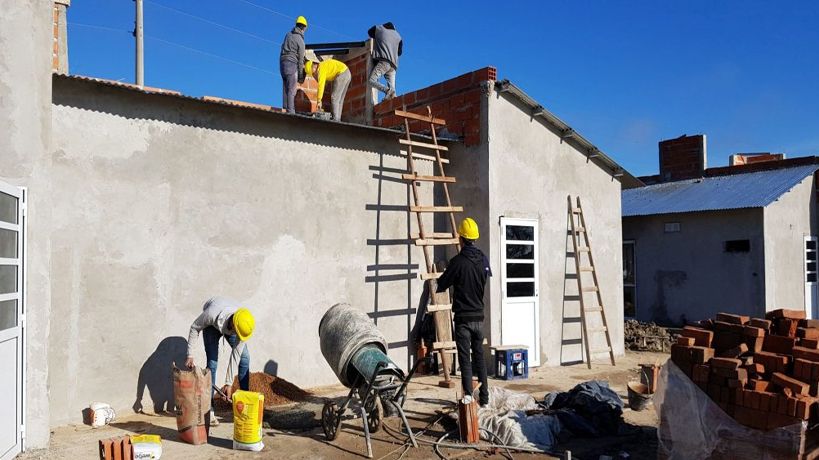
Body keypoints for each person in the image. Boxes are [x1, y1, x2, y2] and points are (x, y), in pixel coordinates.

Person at [436, 218, 492, 406]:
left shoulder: (458, 262)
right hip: (479, 317)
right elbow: (485, 276)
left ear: (461, 238)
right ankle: (484, 398)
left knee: (465, 359)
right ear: (474, 238)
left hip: (463, 319)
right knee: (479, 358)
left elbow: (441, 284)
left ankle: (468, 395)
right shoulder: (483, 259)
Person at [185, 296, 255, 424]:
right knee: (212, 363)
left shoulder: (243, 325)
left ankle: (244, 404)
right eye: (237, 332)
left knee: (245, 358)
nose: (239, 337)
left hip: (229, 322)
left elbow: (236, 355)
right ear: (233, 324)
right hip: (212, 324)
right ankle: (209, 410)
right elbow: (195, 327)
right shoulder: (211, 314)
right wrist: (190, 355)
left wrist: (229, 383)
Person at [279, 16, 307, 114]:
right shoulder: (301, 41)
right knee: (291, 89)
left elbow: (281, 49)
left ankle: (285, 109)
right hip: (292, 64)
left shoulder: (288, 35)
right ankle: (291, 113)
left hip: (282, 63)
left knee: (286, 88)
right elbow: (300, 61)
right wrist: (300, 75)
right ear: (304, 28)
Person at [367, 22, 402, 100]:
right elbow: (399, 53)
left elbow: (369, 32)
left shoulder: (379, 28)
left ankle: (387, 90)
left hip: (384, 61)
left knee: (371, 80)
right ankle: (393, 101)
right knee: (393, 91)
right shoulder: (399, 37)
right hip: (394, 65)